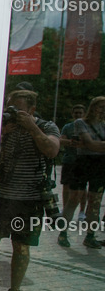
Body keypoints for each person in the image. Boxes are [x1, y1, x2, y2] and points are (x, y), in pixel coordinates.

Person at [0, 87, 60, 291]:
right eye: (10, 107)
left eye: (18, 109)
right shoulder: (1, 125)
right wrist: (1, 133)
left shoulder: (46, 126)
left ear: (31, 110)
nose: (12, 112)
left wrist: (32, 128)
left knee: (21, 247)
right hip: (0, 197)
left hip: (29, 200)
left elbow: (52, 151)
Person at [71, 96, 105, 248]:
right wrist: (92, 145)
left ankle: (91, 235)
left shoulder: (103, 124)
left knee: (96, 201)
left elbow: (91, 144)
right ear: (93, 107)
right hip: (84, 162)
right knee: (76, 198)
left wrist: (93, 145)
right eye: (101, 107)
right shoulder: (81, 122)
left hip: (101, 164)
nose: (103, 110)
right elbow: (90, 144)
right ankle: (64, 232)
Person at [58, 104, 87, 246]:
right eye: (76, 112)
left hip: (84, 161)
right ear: (72, 113)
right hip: (69, 160)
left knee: (83, 189)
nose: (78, 115)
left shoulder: (87, 127)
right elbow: (60, 140)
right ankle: (65, 208)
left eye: (80, 112)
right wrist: (71, 142)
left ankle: (82, 211)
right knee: (66, 186)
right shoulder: (68, 127)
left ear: (84, 113)